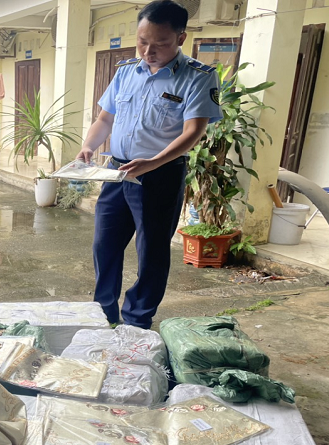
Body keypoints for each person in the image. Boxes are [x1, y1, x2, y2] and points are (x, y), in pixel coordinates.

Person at [76, 0, 222, 328]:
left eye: (160, 44)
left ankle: (137, 320)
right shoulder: (126, 71)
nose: (148, 51)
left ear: (180, 39)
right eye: (143, 41)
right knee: (105, 245)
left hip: (161, 174)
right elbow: (104, 118)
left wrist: (154, 161)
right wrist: (88, 146)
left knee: (152, 250)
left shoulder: (197, 77)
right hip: (117, 170)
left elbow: (193, 131)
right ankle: (103, 313)